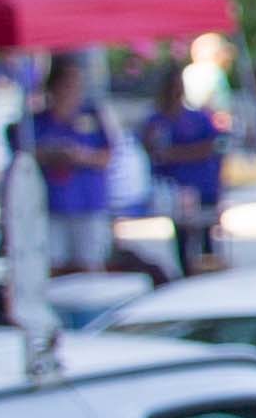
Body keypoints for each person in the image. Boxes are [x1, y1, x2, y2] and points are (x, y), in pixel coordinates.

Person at [27, 55, 122, 277]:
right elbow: (27, 154)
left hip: (88, 202)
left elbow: (108, 155)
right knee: (53, 264)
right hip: (51, 204)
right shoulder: (38, 122)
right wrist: (53, 155)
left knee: (90, 264)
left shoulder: (93, 116)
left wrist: (81, 157)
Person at [138, 77, 232, 278]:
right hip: (175, 187)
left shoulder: (197, 118)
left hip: (202, 185)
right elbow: (148, 146)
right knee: (182, 236)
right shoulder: (157, 121)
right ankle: (187, 275)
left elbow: (213, 146)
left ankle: (209, 275)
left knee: (206, 234)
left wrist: (176, 154)